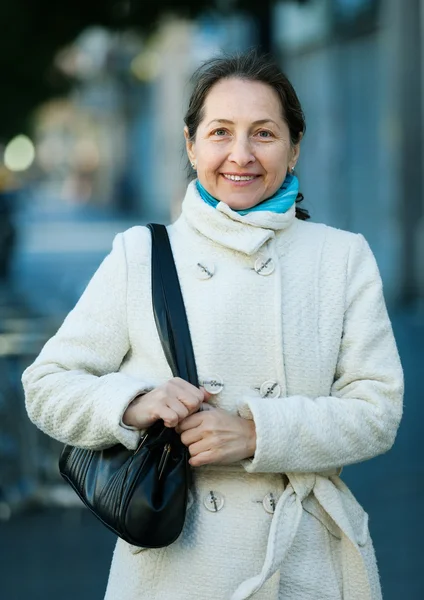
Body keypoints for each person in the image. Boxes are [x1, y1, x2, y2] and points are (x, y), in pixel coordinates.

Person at [22, 50, 403, 600]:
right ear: (190, 144)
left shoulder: (342, 258)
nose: (241, 155)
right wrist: (133, 403)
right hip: (176, 564)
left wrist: (255, 434)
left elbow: (378, 411)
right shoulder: (143, 255)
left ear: (294, 147)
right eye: (221, 132)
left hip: (305, 562)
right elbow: (46, 385)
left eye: (264, 134)